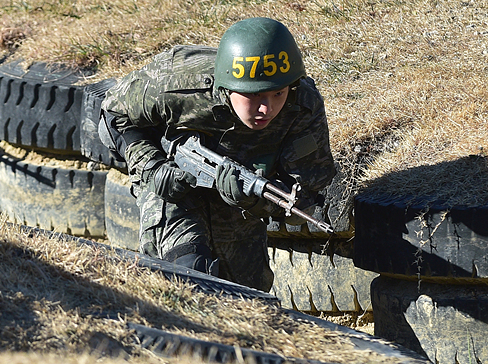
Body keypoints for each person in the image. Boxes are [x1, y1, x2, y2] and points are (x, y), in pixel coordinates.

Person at [100, 17, 335, 291]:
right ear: (227, 87)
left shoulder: (302, 105)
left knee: (248, 295)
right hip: (173, 188)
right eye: (254, 95)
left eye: (277, 94)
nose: (266, 109)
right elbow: (113, 114)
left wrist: (255, 203)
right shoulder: (178, 85)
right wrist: (152, 167)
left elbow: (304, 198)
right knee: (188, 278)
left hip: (240, 202)